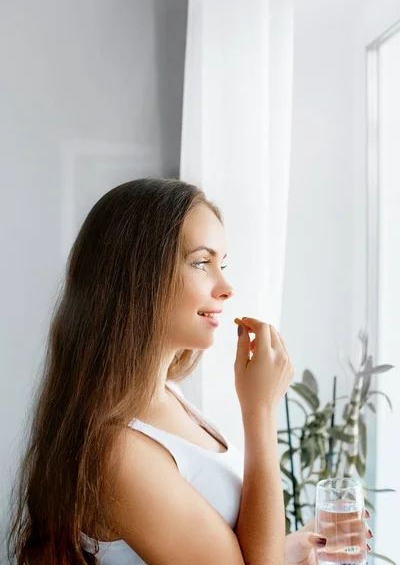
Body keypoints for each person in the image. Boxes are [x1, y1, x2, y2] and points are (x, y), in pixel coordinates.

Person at [7, 177, 373, 564]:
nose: (226, 287)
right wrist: (260, 410)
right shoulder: (118, 454)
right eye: (202, 262)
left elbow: (236, 554)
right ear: (138, 278)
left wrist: (301, 546)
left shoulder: (169, 396)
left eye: (222, 264)